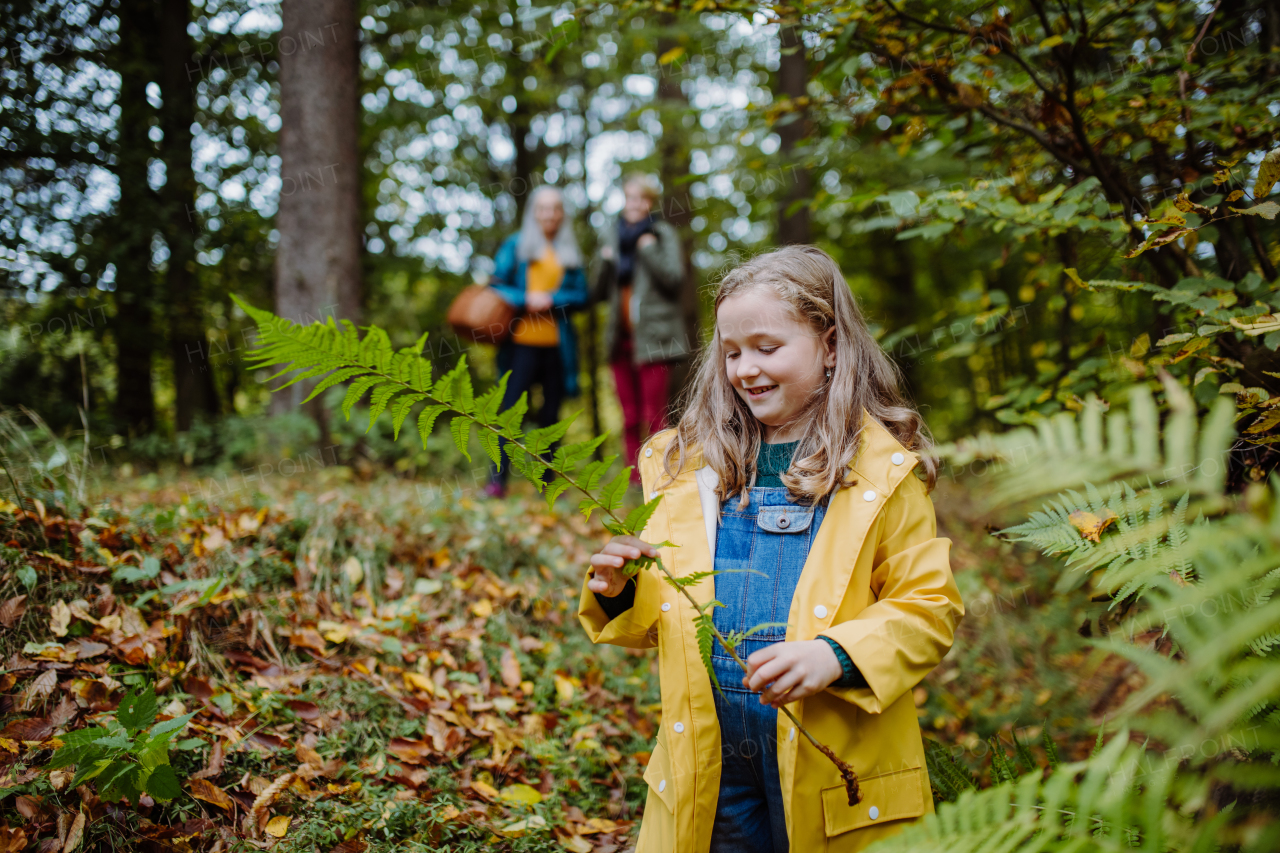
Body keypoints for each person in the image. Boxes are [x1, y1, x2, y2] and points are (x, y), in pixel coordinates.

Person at [578, 246, 964, 852]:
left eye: (767, 347)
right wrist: (621, 590)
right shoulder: (690, 468)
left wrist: (835, 655)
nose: (745, 369)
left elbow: (929, 606)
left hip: (831, 764)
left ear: (831, 344)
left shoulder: (881, 472)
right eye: (731, 352)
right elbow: (671, 621)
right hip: (712, 761)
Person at [484, 186, 588, 498]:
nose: (549, 214)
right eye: (543, 208)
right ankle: (496, 482)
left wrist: (553, 299)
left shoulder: (569, 251)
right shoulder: (516, 245)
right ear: (533, 211)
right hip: (519, 344)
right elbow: (496, 285)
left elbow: (582, 295)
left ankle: (547, 482)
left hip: (558, 346)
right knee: (508, 411)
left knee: (551, 415)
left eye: (555, 208)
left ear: (562, 214)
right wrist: (525, 298)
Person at [592, 175, 689, 484]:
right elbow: (595, 291)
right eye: (630, 198)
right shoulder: (611, 237)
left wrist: (648, 249)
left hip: (656, 339)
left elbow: (675, 278)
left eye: (642, 199)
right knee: (629, 416)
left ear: (650, 203)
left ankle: (661, 479)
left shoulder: (661, 234)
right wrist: (606, 261)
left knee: (655, 414)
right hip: (619, 341)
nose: (635, 204)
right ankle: (635, 482)